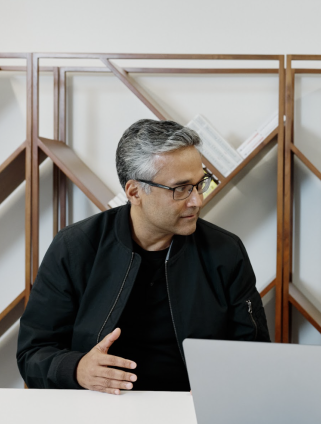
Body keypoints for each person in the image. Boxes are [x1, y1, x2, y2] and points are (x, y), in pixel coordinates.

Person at [17, 119, 270, 394]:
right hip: (99, 411)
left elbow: (254, 355)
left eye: (200, 184)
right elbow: (33, 354)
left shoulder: (225, 252)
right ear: (135, 192)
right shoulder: (75, 247)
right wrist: (77, 369)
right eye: (181, 188)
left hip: (193, 411)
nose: (197, 200)